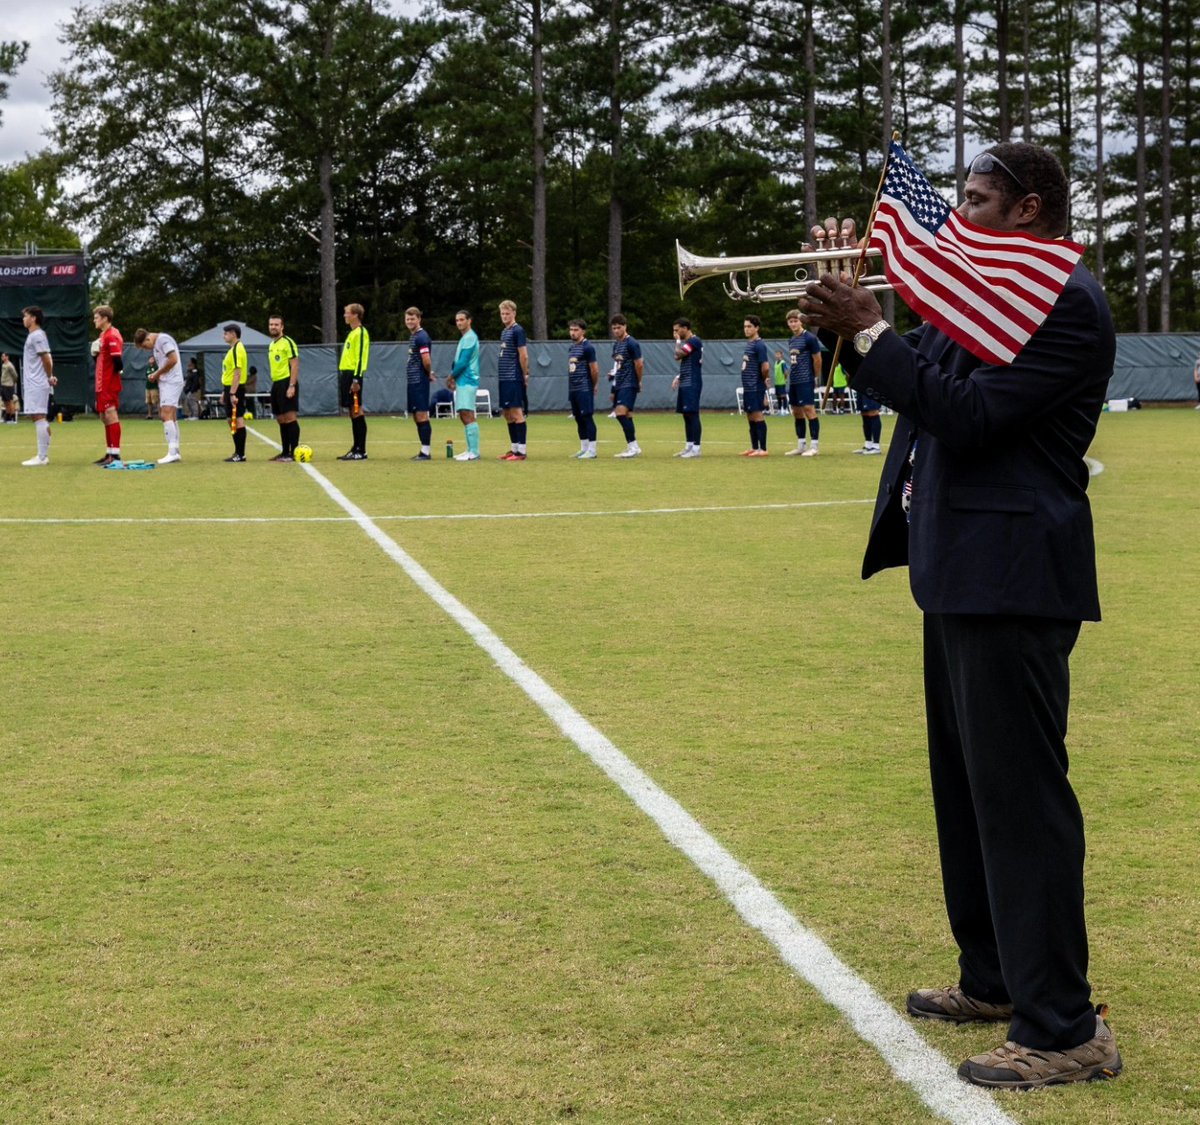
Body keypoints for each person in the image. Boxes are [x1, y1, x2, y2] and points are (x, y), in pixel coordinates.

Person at [799, 142, 1121, 1090]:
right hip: (959, 570)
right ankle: (993, 977)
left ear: (1029, 210)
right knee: (969, 794)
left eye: (976, 202)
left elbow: (970, 415)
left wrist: (874, 329)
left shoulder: (1062, 300)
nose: (954, 219)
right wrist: (842, 321)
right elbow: (904, 388)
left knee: (1022, 802)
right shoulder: (981, 293)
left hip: (1014, 575)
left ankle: (1064, 1026)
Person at [132, 327, 184, 463]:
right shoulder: (157, 344)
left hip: (171, 381)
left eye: (144, 346)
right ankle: (175, 451)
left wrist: (157, 374)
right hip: (168, 381)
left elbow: (173, 359)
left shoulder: (163, 340)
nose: (145, 349)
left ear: (148, 338)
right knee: (171, 416)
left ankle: (172, 452)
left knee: (165, 414)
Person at [19, 307, 56, 466]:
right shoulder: (34, 336)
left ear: (33, 318)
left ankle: (42, 457)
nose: (23, 319)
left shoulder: (37, 335)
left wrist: (49, 377)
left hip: (38, 383)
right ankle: (43, 454)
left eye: (25, 316)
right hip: (34, 383)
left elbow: (47, 358)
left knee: (39, 416)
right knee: (37, 416)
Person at [783, 309, 823, 457]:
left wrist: (815, 376)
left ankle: (814, 446)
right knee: (796, 411)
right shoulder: (792, 340)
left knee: (809, 409)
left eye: (795, 321)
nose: (793, 324)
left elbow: (817, 359)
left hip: (806, 379)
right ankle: (801, 444)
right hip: (794, 380)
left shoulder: (810, 338)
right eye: (791, 321)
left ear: (801, 321)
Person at [497, 299, 529, 460]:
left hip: (513, 377)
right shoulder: (504, 331)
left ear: (514, 313)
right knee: (507, 413)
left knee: (516, 412)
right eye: (502, 313)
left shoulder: (518, 330)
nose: (504, 316)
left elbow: (523, 355)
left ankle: (521, 451)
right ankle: (514, 448)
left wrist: (525, 374)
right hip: (503, 378)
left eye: (507, 313)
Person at [93, 304, 125, 465]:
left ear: (105, 318)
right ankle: (109, 453)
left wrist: (114, 375)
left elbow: (118, 362)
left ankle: (115, 455)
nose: (94, 321)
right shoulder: (104, 335)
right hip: (101, 383)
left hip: (108, 383)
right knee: (104, 416)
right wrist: (96, 355)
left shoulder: (112, 335)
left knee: (111, 415)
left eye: (97, 317)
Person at [404, 306, 437, 461]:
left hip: (419, 381)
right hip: (413, 381)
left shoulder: (421, 337)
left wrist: (428, 372)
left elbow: (426, 359)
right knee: (416, 415)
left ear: (419, 319)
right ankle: (423, 450)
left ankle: (426, 451)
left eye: (413, 319)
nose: (410, 322)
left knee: (421, 414)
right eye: (408, 319)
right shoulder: (414, 336)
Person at [338, 303, 370, 460]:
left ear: (355, 315)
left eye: (347, 313)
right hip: (346, 374)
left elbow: (361, 357)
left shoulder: (361, 333)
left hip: (354, 376)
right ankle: (355, 447)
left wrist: (356, 378)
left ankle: (361, 450)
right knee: (352, 411)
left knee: (357, 409)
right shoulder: (351, 333)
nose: (344, 315)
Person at [448, 309, 481, 461]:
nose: (459, 323)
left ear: (469, 320)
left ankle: (474, 451)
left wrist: (451, 376)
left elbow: (463, 361)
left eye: (462, 320)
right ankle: (469, 449)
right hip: (463, 380)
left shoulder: (469, 338)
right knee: (463, 413)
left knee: (467, 413)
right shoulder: (465, 338)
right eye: (457, 320)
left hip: (468, 379)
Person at [609, 314, 643, 458]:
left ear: (625, 327)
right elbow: (618, 364)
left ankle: (633, 447)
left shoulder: (632, 343)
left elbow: (639, 364)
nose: (616, 331)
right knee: (626, 415)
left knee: (621, 413)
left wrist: (638, 381)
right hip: (620, 383)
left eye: (619, 327)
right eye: (614, 328)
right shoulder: (617, 344)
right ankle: (633, 446)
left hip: (629, 383)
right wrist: (613, 382)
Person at [267, 315, 300, 461]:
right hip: (276, 383)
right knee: (280, 418)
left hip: (287, 382)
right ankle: (285, 451)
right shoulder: (272, 344)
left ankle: (294, 452)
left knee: (290, 417)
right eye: (271, 324)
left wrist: (291, 385)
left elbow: (294, 364)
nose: (273, 327)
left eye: (276, 324)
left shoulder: (288, 342)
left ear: (282, 327)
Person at [566, 319, 599, 459]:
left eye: (576, 330)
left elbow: (594, 369)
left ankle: (592, 450)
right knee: (578, 418)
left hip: (584, 388)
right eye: (571, 330)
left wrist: (593, 385)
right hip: (573, 389)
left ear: (583, 331)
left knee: (587, 417)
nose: (573, 333)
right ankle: (584, 448)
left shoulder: (588, 347)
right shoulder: (572, 348)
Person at [671, 317, 703, 458]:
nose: (675, 333)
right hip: (685, 381)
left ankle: (696, 448)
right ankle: (689, 446)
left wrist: (677, 341)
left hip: (692, 382)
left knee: (693, 414)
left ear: (685, 328)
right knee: (686, 415)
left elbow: (678, 355)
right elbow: (686, 361)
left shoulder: (694, 341)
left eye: (677, 330)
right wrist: (678, 377)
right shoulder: (688, 343)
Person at [739, 315, 770, 456]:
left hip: (755, 386)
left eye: (749, 326)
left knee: (757, 415)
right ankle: (754, 447)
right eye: (745, 326)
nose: (746, 329)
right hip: (748, 386)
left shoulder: (759, 344)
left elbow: (765, 366)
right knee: (750, 416)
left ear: (756, 328)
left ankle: (763, 449)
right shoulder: (749, 344)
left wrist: (762, 380)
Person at [220, 323, 249, 462]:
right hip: (229, 388)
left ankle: (241, 453)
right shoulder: (232, 349)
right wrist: (225, 392)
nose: (223, 336)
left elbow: (238, 373)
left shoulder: (238, 348)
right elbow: (229, 372)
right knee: (230, 419)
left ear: (233, 334)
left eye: (226, 333)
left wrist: (232, 393)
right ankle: (237, 452)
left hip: (236, 389)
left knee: (237, 419)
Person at [853, 388, 883, 455]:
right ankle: (868, 445)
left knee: (873, 412)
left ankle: (876, 446)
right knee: (864, 413)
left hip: (870, 385)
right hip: (860, 386)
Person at [2, 351, 19, 423]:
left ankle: (13, 418)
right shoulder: (3, 365)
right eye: (2, 356)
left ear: (7, 357)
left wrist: (12, 382)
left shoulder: (10, 365)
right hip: (3, 385)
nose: (2, 357)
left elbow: (15, 375)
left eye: (3, 356)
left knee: (10, 401)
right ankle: (8, 417)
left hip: (9, 386)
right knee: (6, 402)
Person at [772, 349, 789, 413]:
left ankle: (785, 409)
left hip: (782, 382)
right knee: (778, 396)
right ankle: (779, 409)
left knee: (783, 396)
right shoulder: (776, 363)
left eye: (778, 354)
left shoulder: (783, 363)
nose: (777, 356)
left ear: (781, 355)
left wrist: (785, 379)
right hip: (777, 383)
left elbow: (786, 372)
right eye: (776, 354)